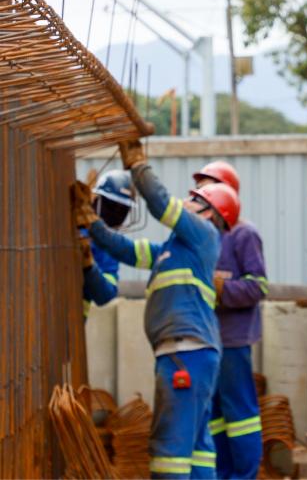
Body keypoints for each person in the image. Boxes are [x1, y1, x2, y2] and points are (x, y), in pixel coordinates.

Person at [72, 140, 240, 479]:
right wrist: (91, 223)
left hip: (185, 352)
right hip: (195, 353)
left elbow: (160, 204)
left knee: (170, 449)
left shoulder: (204, 234)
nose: (187, 202)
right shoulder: (172, 250)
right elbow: (123, 248)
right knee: (198, 447)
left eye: (195, 200)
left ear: (210, 212)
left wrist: (137, 164)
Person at [193, 161, 267, 479]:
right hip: (210, 340)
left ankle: (245, 474)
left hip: (233, 341)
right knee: (217, 416)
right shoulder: (202, 234)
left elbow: (259, 286)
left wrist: (222, 288)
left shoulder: (243, 234)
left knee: (241, 414)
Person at [76, 170, 136, 320]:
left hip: (73, 322)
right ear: (96, 200)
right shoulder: (73, 224)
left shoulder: (109, 248)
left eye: (122, 210)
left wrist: (89, 266)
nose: (116, 214)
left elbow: (105, 295)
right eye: (111, 206)